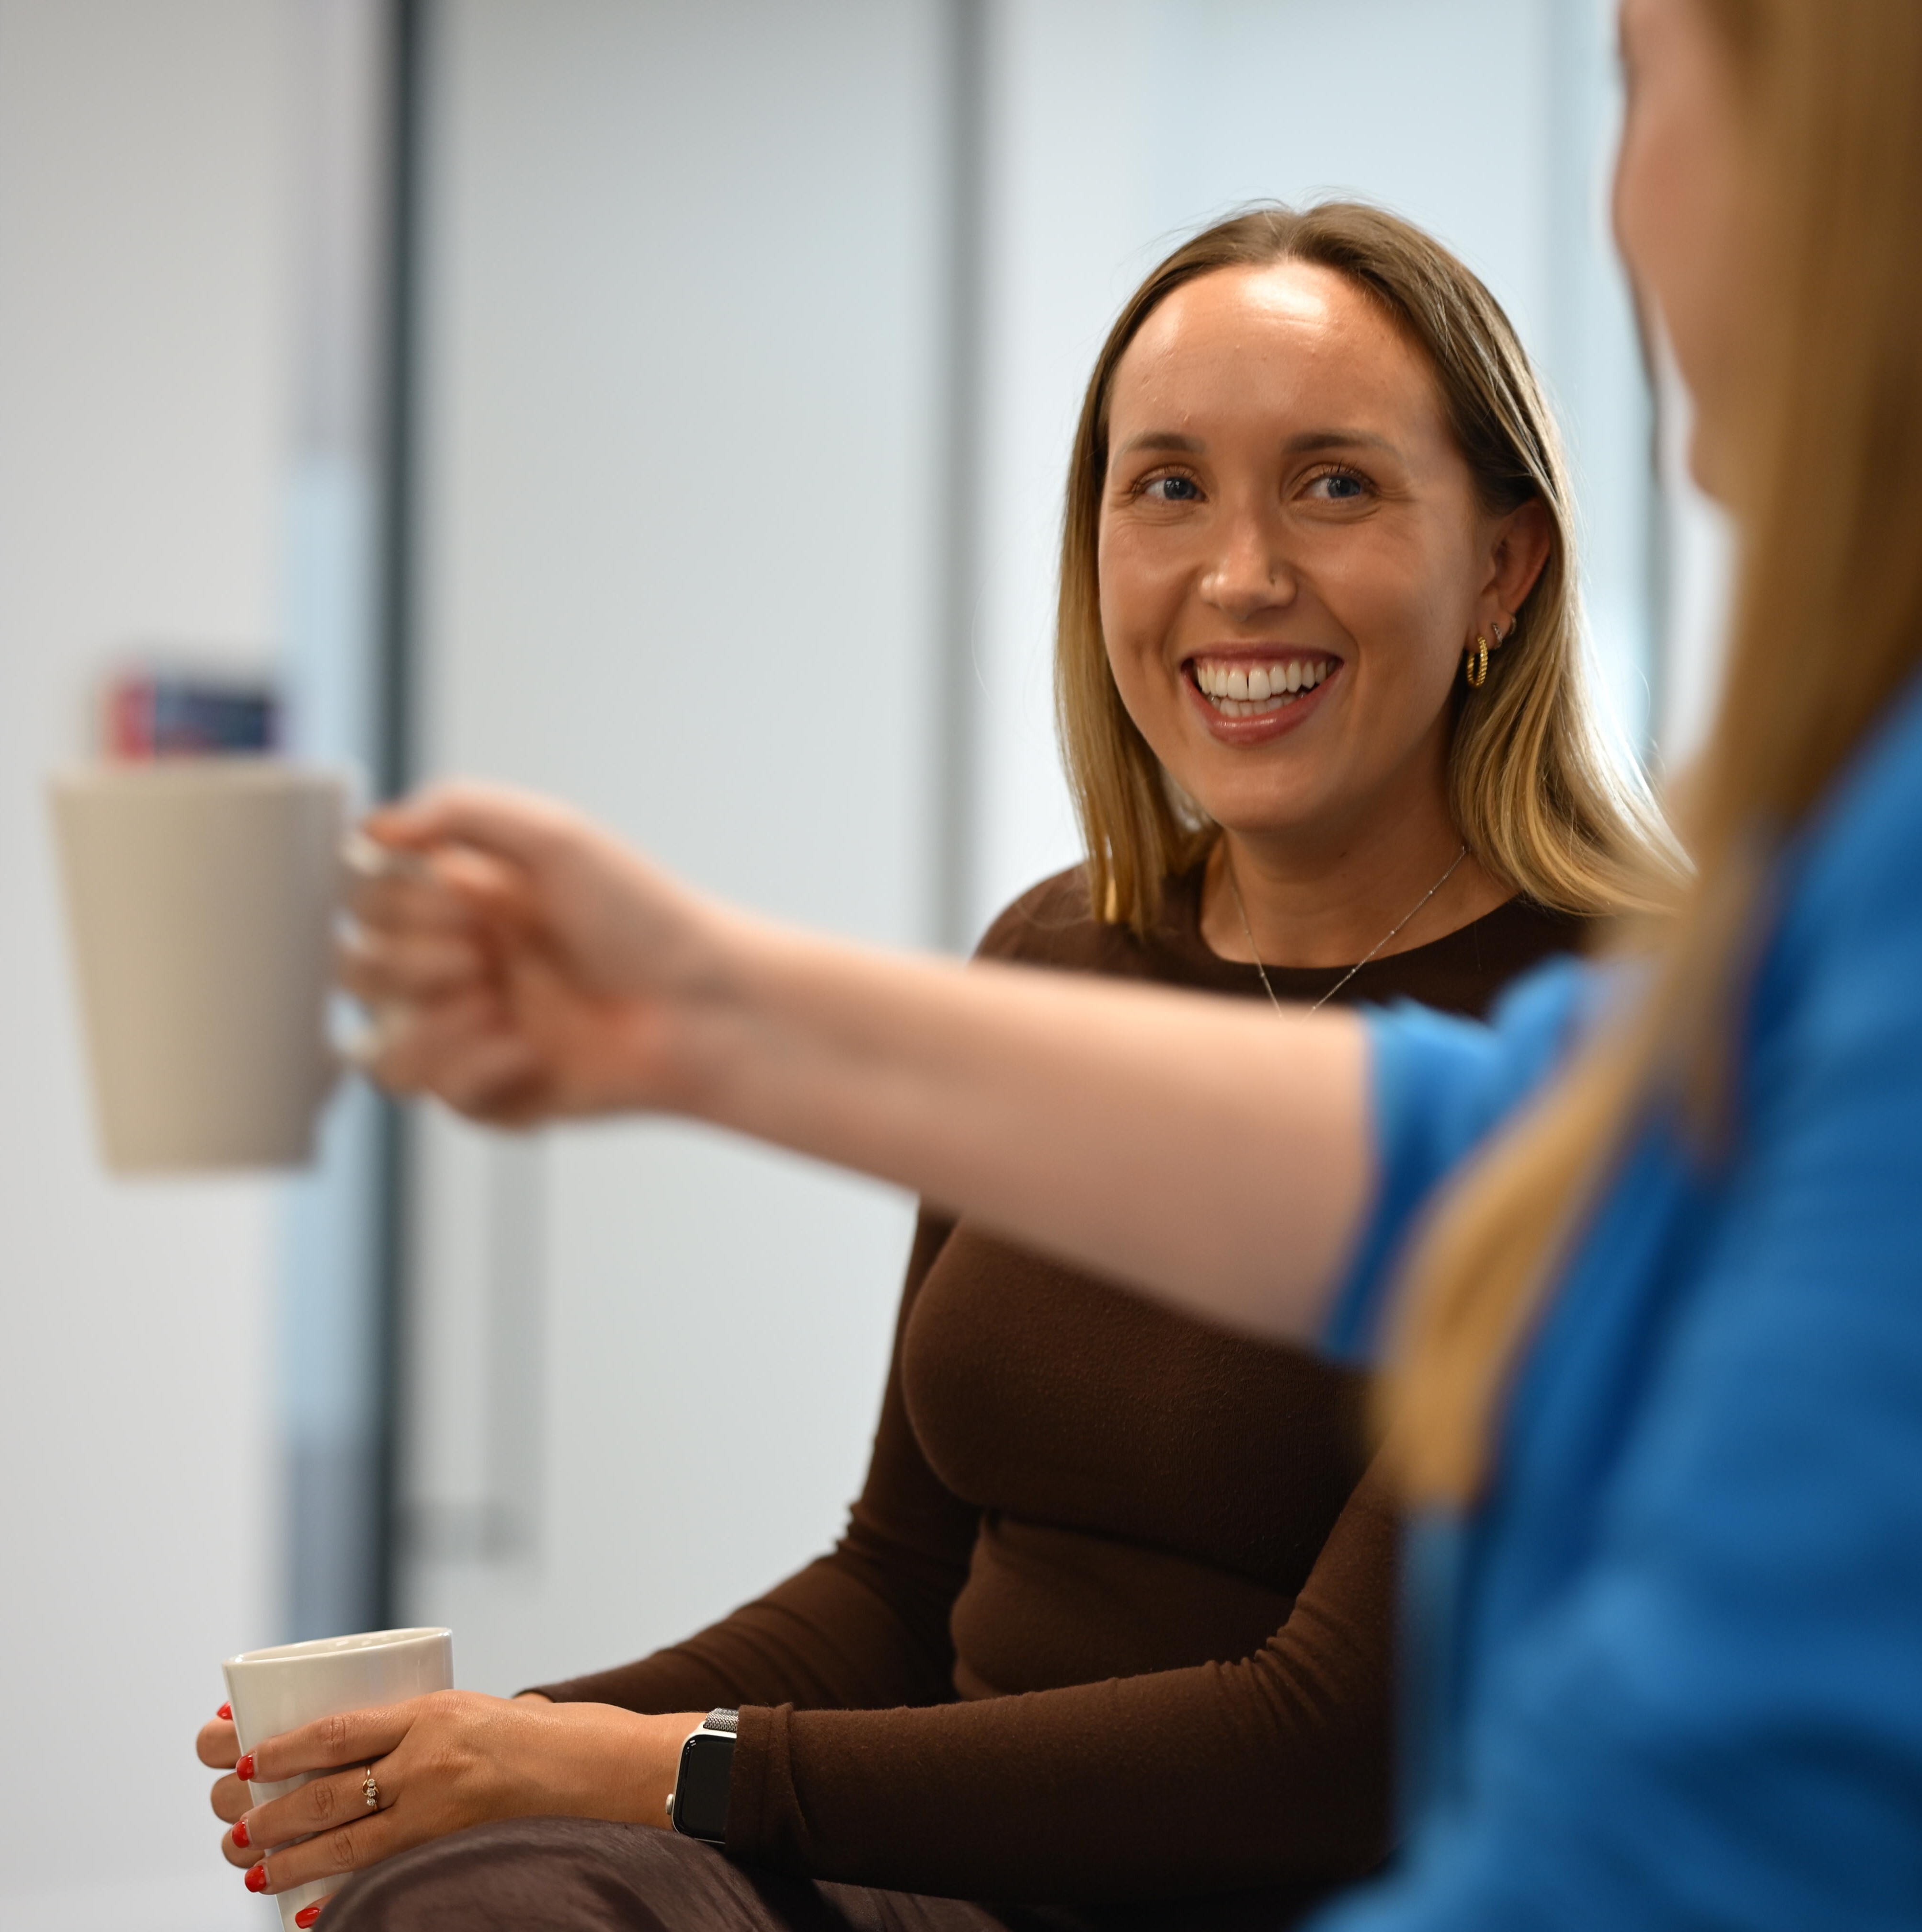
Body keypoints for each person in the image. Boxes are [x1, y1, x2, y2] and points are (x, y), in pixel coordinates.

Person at [209, 0, 1922, 1921]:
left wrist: (622, 1769)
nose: (1237, 575)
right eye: (1165, 484)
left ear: (1503, 570)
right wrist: (466, 1768)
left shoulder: (1666, 996)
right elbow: (894, 1585)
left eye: (1337, 483)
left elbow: (1327, 1738)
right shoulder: (1061, 949)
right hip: (923, 1870)